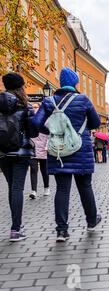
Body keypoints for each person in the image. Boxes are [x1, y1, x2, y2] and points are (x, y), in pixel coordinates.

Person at [32, 67, 102, 242]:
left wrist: (50, 131)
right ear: (74, 83)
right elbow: (95, 123)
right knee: (85, 187)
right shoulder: (83, 100)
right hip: (81, 149)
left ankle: (62, 231)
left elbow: (35, 123)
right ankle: (92, 221)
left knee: (62, 189)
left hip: (58, 151)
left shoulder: (49, 101)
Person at [0, 73, 39, 242]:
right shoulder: (25, 105)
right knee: (17, 188)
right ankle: (16, 228)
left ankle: (16, 227)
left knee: (12, 187)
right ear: (20, 86)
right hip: (21, 151)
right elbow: (32, 131)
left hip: (2, 152)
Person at [29, 103, 50, 199]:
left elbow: (50, 134)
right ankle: (33, 190)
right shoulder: (30, 120)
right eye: (32, 107)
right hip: (33, 148)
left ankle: (46, 187)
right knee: (33, 169)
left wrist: (47, 146)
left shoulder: (46, 120)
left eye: (36, 107)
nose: (34, 109)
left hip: (44, 149)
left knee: (44, 170)